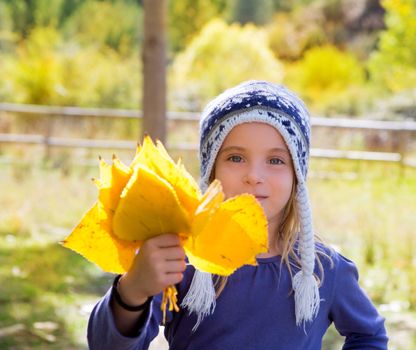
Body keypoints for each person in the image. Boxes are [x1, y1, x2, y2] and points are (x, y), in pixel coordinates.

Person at [87, 80, 388, 349]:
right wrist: (133, 290)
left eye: (275, 160)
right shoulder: (181, 261)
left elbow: (369, 336)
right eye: (235, 157)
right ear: (210, 172)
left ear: (297, 176)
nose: (254, 176)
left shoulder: (323, 271)